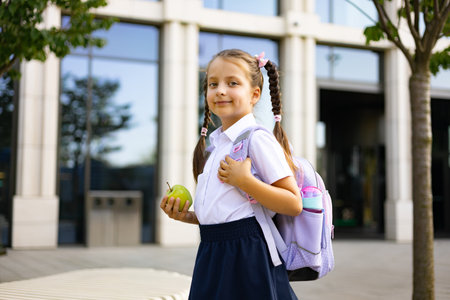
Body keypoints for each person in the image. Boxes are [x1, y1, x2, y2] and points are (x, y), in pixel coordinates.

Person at [160, 49, 302, 300]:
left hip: (248, 254)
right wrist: (187, 216)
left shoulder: (257, 139)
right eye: (213, 84)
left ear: (255, 94)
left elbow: (293, 203)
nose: (221, 90)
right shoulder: (216, 146)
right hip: (212, 250)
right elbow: (225, 213)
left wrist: (245, 181)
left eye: (232, 83)